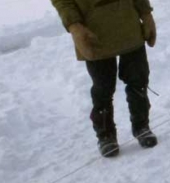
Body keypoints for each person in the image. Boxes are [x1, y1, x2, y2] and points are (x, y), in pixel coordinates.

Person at [51, 0, 159, 157]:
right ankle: (105, 136)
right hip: (92, 29)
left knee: (138, 77)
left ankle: (142, 126)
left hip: (128, 23)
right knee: (103, 86)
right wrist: (75, 26)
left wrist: (146, 14)